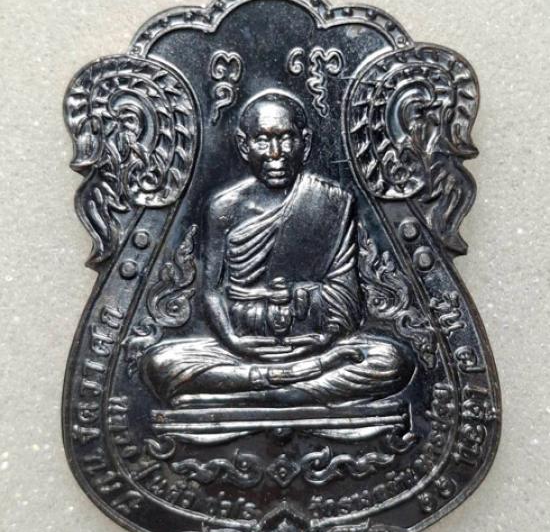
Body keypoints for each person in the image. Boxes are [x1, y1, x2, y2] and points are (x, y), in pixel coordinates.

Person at [140, 90, 415, 407]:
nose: (275, 153)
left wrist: (319, 334)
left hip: (314, 343)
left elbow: (346, 297)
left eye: (286, 139)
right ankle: (289, 388)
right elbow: (212, 292)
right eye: (262, 140)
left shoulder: (332, 202)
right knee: (160, 364)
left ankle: (258, 393)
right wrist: (234, 341)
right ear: (244, 145)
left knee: (392, 361)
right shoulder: (223, 207)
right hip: (241, 347)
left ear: (305, 143)